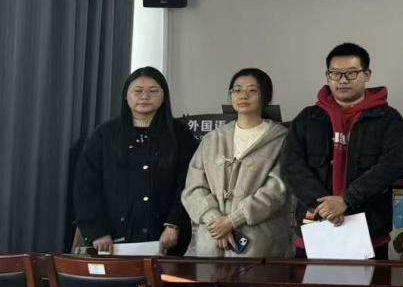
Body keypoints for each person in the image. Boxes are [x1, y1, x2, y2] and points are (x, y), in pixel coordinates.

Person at [281, 42, 403, 256]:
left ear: (367, 75)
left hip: (369, 226)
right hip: (315, 225)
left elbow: (392, 165)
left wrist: (346, 200)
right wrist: (325, 206)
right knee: (310, 279)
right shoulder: (308, 118)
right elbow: (290, 166)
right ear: (327, 76)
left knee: (369, 279)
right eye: (335, 74)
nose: (342, 80)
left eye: (351, 73)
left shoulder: (388, 118)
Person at [73, 67, 198, 255]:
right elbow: (86, 187)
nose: (145, 96)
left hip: (167, 238)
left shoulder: (180, 135)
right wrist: (98, 231)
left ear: (164, 96)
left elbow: (188, 183)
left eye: (153, 91)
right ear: (126, 95)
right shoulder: (104, 135)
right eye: (137, 91)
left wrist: (174, 224)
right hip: (111, 238)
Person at [181, 68, 291, 257]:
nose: (243, 96)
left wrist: (232, 221)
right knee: (209, 275)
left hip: (259, 243)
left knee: (255, 277)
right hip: (212, 241)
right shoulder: (212, 139)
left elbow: (276, 190)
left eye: (252, 90)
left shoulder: (281, 139)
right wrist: (216, 221)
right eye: (237, 90)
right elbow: (193, 187)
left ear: (265, 96)